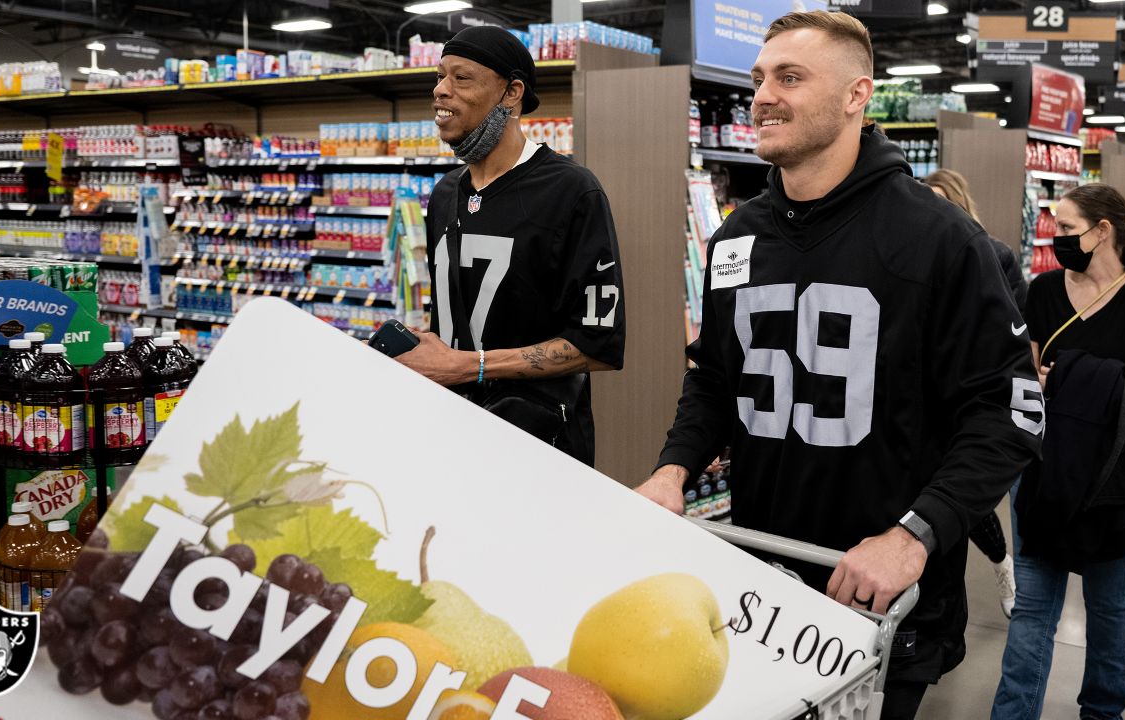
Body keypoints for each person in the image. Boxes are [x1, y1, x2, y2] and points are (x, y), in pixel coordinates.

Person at [632, 11, 1043, 719]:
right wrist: (673, 469)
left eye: (791, 77)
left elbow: (1009, 413)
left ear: (858, 95)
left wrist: (914, 536)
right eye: (760, 78)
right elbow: (714, 380)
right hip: (757, 581)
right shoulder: (737, 238)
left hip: (882, 605)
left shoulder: (942, 240)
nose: (763, 94)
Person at [993, 184, 1125, 720]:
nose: (1058, 238)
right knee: (1032, 609)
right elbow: (1023, 371)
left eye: (1068, 228)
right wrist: (1039, 379)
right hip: (1042, 468)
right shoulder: (1046, 289)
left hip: (1113, 476)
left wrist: (1074, 377)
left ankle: (1103, 712)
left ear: (1103, 232)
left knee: (1106, 605)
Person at [395, 26, 625, 466]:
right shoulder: (445, 194)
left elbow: (597, 344)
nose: (441, 91)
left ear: (512, 93)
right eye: (440, 76)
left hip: (539, 449)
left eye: (462, 79)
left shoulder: (571, 191)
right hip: (449, 433)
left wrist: (469, 365)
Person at [923, 169, 1021, 618]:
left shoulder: (992, 255)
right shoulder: (910, 254)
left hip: (961, 401)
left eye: (942, 200)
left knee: (961, 498)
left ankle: (1001, 563)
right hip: (916, 403)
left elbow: (1012, 332)